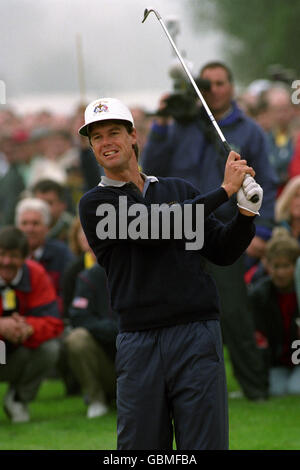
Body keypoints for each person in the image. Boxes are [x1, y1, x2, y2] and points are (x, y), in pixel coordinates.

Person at [78, 97, 263, 450]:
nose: (106, 143)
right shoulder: (95, 204)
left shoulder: (178, 190)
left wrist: (245, 215)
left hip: (197, 333)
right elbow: (152, 227)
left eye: (114, 132)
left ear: (134, 137)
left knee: (204, 445)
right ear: (91, 147)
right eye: (96, 137)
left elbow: (222, 250)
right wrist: (224, 191)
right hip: (139, 340)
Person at [141, 61, 277, 401]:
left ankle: (255, 388)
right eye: (207, 84)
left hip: (224, 230)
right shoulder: (179, 126)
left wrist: (262, 230)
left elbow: (268, 186)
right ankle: (183, 388)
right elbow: (150, 169)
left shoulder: (249, 131)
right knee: (178, 312)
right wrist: (160, 121)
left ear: (231, 87)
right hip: (181, 229)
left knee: (233, 311)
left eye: (220, 83)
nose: (213, 89)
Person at [0, 226, 63, 422]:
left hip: (18, 352)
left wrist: (27, 327)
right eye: (1, 254)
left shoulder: (36, 274)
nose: (6, 261)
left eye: (14, 256)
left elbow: (54, 322)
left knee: (50, 348)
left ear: (26, 257)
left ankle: (18, 399)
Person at [249, 230, 300, 396]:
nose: (280, 273)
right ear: (267, 265)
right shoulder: (259, 295)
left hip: (297, 357)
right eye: (276, 266)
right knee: (276, 390)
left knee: (294, 389)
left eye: (286, 266)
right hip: (277, 361)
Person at [64, 263, 118, 418]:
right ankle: (96, 399)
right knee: (77, 338)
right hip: (107, 360)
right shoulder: (89, 276)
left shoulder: (144, 270)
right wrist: (114, 329)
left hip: (139, 360)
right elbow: (78, 316)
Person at [15, 197, 74, 316]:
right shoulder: (7, 256)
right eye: (24, 223)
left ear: (47, 228)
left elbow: (68, 295)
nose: (29, 229)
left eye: (35, 223)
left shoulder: (62, 254)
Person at [32, 178, 75, 243]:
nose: (43, 208)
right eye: (39, 203)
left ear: (62, 205)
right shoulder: (28, 228)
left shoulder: (73, 230)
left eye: (49, 203)